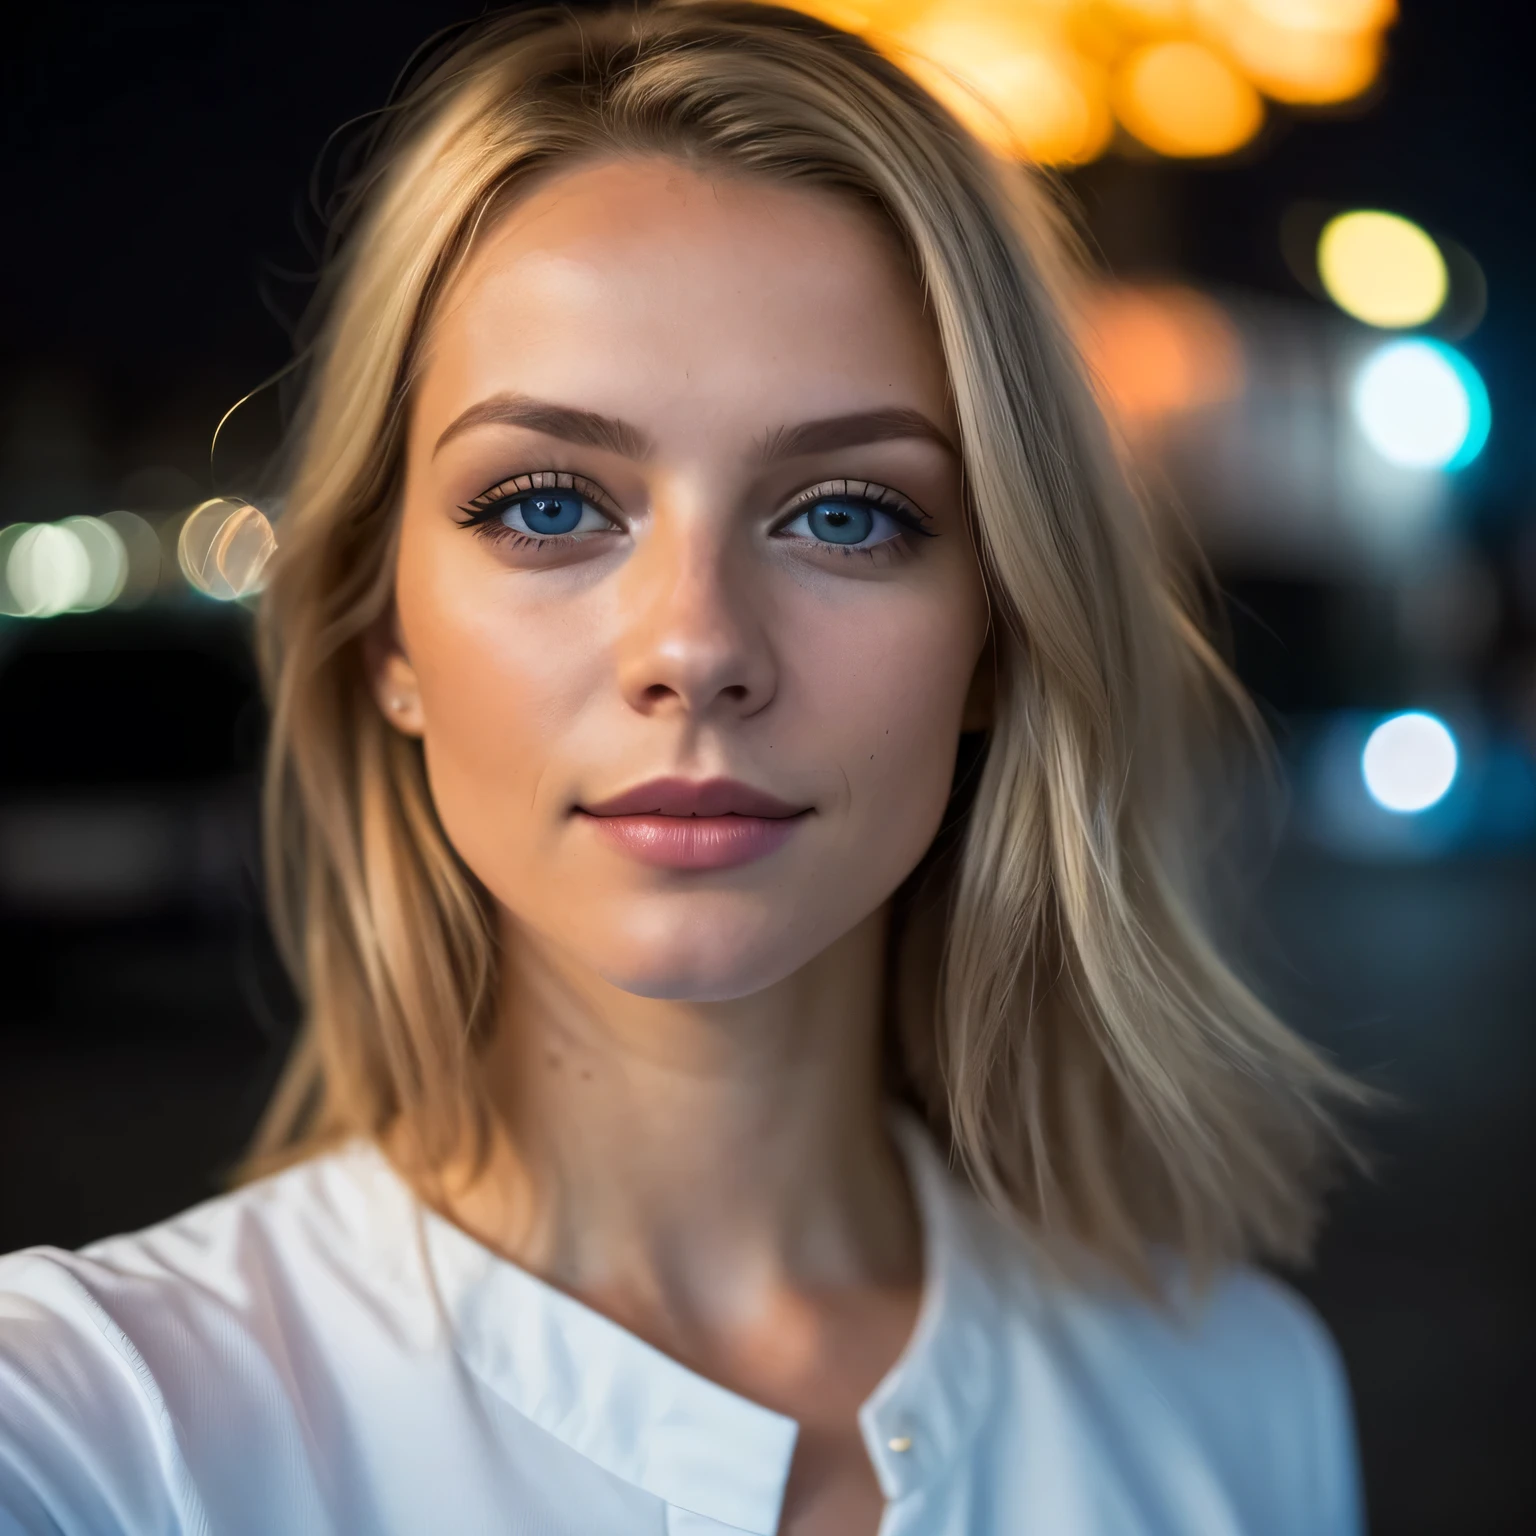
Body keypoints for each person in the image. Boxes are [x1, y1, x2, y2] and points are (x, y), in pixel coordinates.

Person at [0, 3, 1366, 1532]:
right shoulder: (98, 1423)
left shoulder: (1235, 1401)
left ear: (997, 631)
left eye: (846, 513)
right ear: (381, 632)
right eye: (545, 504)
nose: (696, 645)